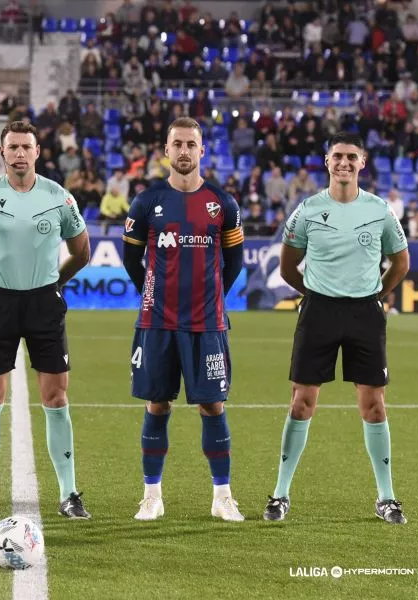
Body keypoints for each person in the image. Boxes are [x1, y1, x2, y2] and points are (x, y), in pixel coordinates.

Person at [263, 132, 410, 525]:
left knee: (374, 405)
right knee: (301, 402)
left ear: (362, 162)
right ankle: (280, 494)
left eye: (351, 157)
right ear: (326, 162)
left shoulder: (379, 210)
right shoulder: (307, 210)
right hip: (319, 313)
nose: (343, 163)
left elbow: (401, 262)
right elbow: (287, 266)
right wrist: (315, 294)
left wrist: (377, 294)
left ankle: (386, 497)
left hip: (365, 313)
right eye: (337, 157)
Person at [0, 120, 92, 519]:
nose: (19, 153)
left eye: (26, 147)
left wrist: (54, 284)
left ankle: (69, 493)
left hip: (44, 305)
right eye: (12, 146)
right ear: (3, 152)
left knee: (56, 397)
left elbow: (81, 252)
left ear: (37, 152)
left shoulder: (59, 198)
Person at [122, 117, 246, 522]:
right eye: (177, 143)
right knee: (158, 404)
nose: (184, 151)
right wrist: (152, 292)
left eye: (191, 144)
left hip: (207, 324)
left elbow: (234, 262)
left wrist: (211, 297)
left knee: (213, 405)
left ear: (202, 150)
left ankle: (222, 496)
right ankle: (152, 495)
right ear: (166, 150)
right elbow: (131, 257)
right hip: (157, 323)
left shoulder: (222, 203)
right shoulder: (146, 201)